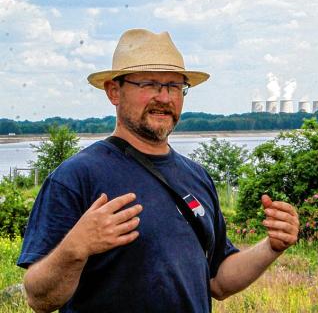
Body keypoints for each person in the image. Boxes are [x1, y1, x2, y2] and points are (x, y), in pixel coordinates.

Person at [17, 29, 299, 313]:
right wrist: (75, 248)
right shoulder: (76, 177)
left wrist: (272, 247)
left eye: (175, 86)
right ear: (114, 91)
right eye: (149, 84)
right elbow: (39, 299)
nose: (164, 98)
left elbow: (218, 281)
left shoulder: (196, 177)